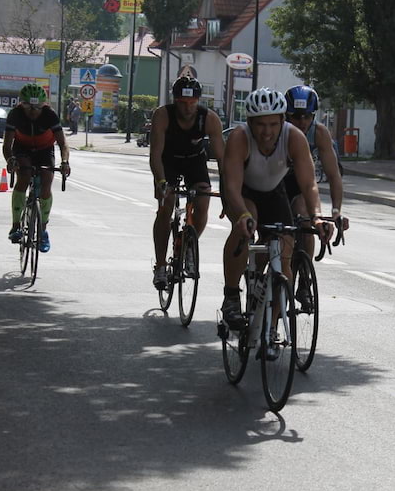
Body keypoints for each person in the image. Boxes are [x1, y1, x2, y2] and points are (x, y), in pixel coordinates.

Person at [220, 87, 331, 329]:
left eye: (273, 124)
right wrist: (244, 215)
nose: (267, 132)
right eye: (260, 125)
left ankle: (270, 327)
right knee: (245, 227)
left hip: (273, 191)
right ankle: (230, 296)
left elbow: (309, 184)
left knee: (284, 257)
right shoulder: (240, 137)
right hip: (242, 193)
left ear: (282, 120)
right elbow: (231, 187)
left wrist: (317, 217)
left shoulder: (294, 138)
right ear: (250, 122)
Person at [149, 76, 225, 289]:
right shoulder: (163, 115)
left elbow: (222, 158)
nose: (187, 107)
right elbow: (155, 154)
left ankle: (189, 244)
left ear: (199, 101)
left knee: (203, 203)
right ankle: (161, 265)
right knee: (165, 206)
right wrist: (161, 181)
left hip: (194, 161)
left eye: (192, 103)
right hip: (168, 161)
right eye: (182, 102)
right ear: (175, 100)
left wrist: (228, 191)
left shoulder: (209, 119)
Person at [3, 83, 71, 253]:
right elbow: (7, 144)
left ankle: (43, 230)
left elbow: (63, 144)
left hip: (45, 149)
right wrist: (10, 159)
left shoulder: (50, 115)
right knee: (24, 177)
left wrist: (65, 162)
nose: (33, 111)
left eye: (37, 107)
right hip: (22, 148)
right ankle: (16, 225)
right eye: (29, 107)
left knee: (47, 183)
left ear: (43, 105)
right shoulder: (15, 115)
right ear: (22, 104)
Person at [284, 85, 350, 257]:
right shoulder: (278, 130)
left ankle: (305, 275)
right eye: (296, 117)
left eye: (308, 116)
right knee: (275, 230)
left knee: (305, 219)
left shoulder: (319, 133)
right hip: (276, 181)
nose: (302, 122)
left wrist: (336, 211)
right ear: (286, 115)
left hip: (302, 183)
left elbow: (334, 176)